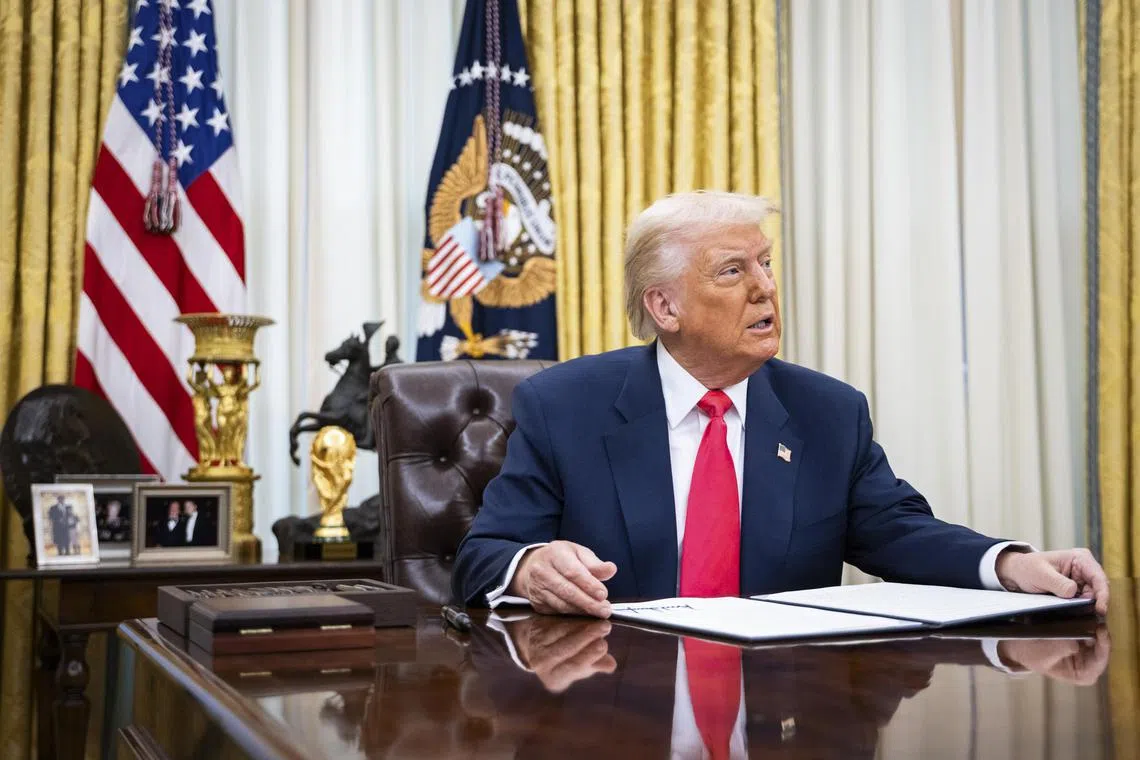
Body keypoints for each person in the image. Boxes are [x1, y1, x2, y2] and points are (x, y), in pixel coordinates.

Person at [452, 191, 1110, 618]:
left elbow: (899, 533)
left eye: (766, 265)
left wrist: (1012, 564)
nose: (766, 288)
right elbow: (483, 557)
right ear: (665, 306)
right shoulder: (564, 407)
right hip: (615, 701)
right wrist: (532, 565)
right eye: (734, 271)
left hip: (787, 709)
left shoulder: (828, 412)